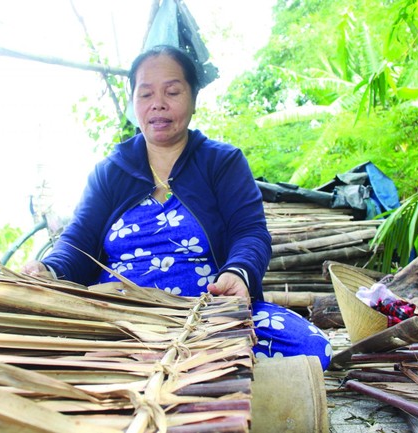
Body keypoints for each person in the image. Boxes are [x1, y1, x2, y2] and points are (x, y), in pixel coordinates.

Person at [22, 45, 332, 370]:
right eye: (145, 94)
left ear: (194, 98)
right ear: (133, 103)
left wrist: (237, 271)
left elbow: (250, 233)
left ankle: (177, 368)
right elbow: (78, 241)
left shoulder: (222, 162)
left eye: (172, 91)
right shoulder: (110, 171)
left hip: (206, 316)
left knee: (311, 348)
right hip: (120, 318)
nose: (158, 103)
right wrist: (48, 269)